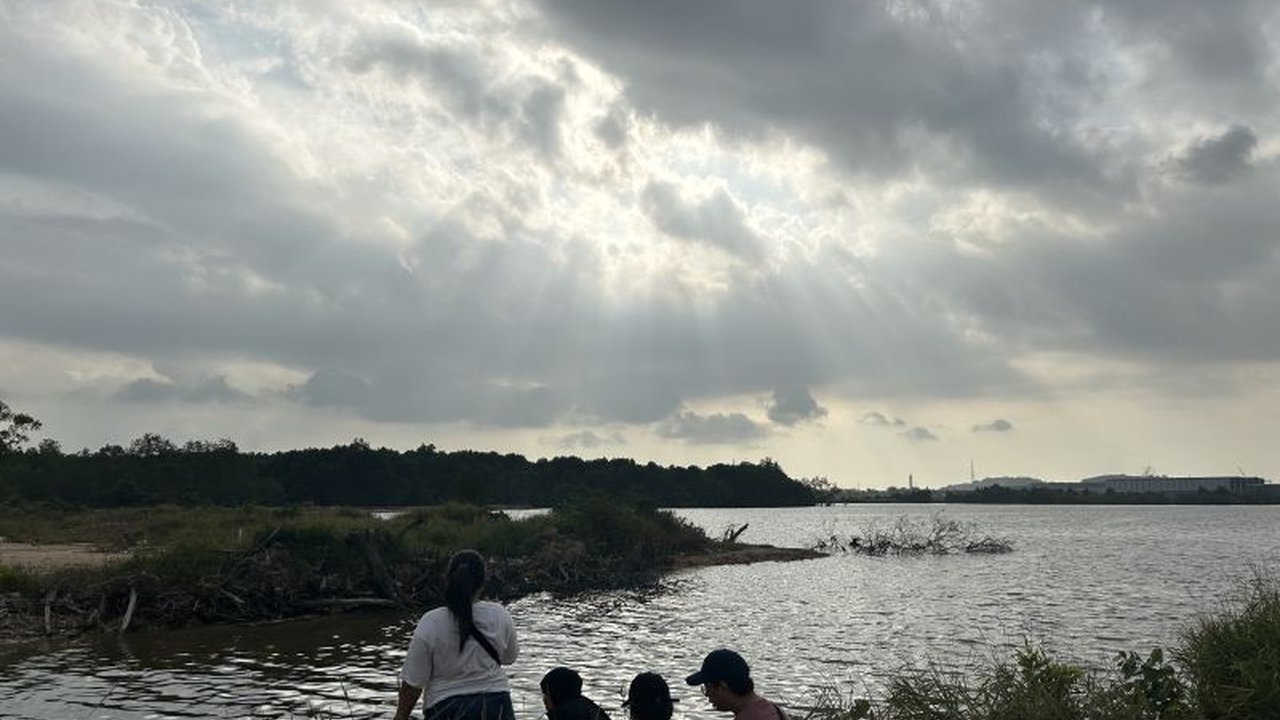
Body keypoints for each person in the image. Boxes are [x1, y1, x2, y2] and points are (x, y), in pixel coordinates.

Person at [394, 550, 519, 720]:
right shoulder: (500, 614)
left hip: (446, 708)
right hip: (497, 705)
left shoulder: (431, 622)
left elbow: (413, 684)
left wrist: (400, 717)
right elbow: (509, 658)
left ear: (447, 580)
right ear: (483, 583)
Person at [685, 649, 787, 720]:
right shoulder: (773, 709)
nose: (707, 694)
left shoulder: (750, 717)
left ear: (723, 687)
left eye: (708, 688)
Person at [540, 666, 611, 720]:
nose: (544, 699)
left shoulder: (567, 715)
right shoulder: (588, 707)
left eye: (546, 694)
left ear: (556, 694)